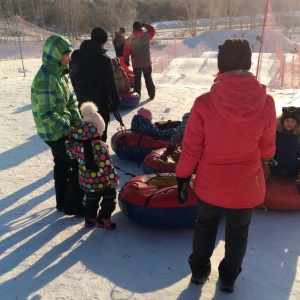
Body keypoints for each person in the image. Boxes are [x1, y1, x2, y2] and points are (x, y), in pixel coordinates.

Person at [175, 38, 277, 292]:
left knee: (205, 227)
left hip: (211, 183)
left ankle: (199, 273)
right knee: (238, 234)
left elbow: (191, 148)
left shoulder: (204, 103)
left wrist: (182, 176)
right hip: (246, 184)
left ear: (222, 65)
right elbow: (267, 148)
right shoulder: (267, 102)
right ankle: (229, 278)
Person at [31, 34, 85, 216]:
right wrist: (68, 129)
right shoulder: (46, 79)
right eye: (66, 54)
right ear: (55, 55)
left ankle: (62, 203)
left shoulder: (60, 74)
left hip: (61, 129)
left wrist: (77, 123)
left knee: (62, 165)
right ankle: (73, 205)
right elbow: (46, 113)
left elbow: (70, 102)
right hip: (53, 131)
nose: (69, 58)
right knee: (79, 162)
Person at [65, 101, 120, 229]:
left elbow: (71, 154)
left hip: (86, 182)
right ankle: (104, 218)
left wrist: (69, 143)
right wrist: (113, 179)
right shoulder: (99, 147)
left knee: (91, 200)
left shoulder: (77, 144)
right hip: (102, 182)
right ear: (97, 130)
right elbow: (106, 165)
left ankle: (90, 219)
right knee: (109, 197)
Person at [70, 27, 121, 142]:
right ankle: (100, 158)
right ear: (102, 43)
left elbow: (73, 78)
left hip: (83, 105)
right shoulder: (104, 60)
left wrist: (79, 93)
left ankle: (87, 158)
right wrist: (116, 101)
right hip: (101, 105)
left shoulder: (76, 55)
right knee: (100, 136)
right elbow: (110, 84)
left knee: (85, 135)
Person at [123, 21, 156, 100]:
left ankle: (137, 97)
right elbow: (153, 30)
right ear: (140, 27)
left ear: (133, 28)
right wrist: (145, 24)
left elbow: (126, 51)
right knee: (148, 78)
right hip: (147, 63)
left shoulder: (130, 39)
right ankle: (152, 95)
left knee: (137, 81)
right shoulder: (147, 36)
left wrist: (126, 61)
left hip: (136, 64)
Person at [270, 107, 300, 177]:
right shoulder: (275, 133)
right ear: (282, 121)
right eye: (287, 120)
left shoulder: (298, 136)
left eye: (293, 121)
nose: (290, 123)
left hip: (291, 171)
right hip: (274, 168)